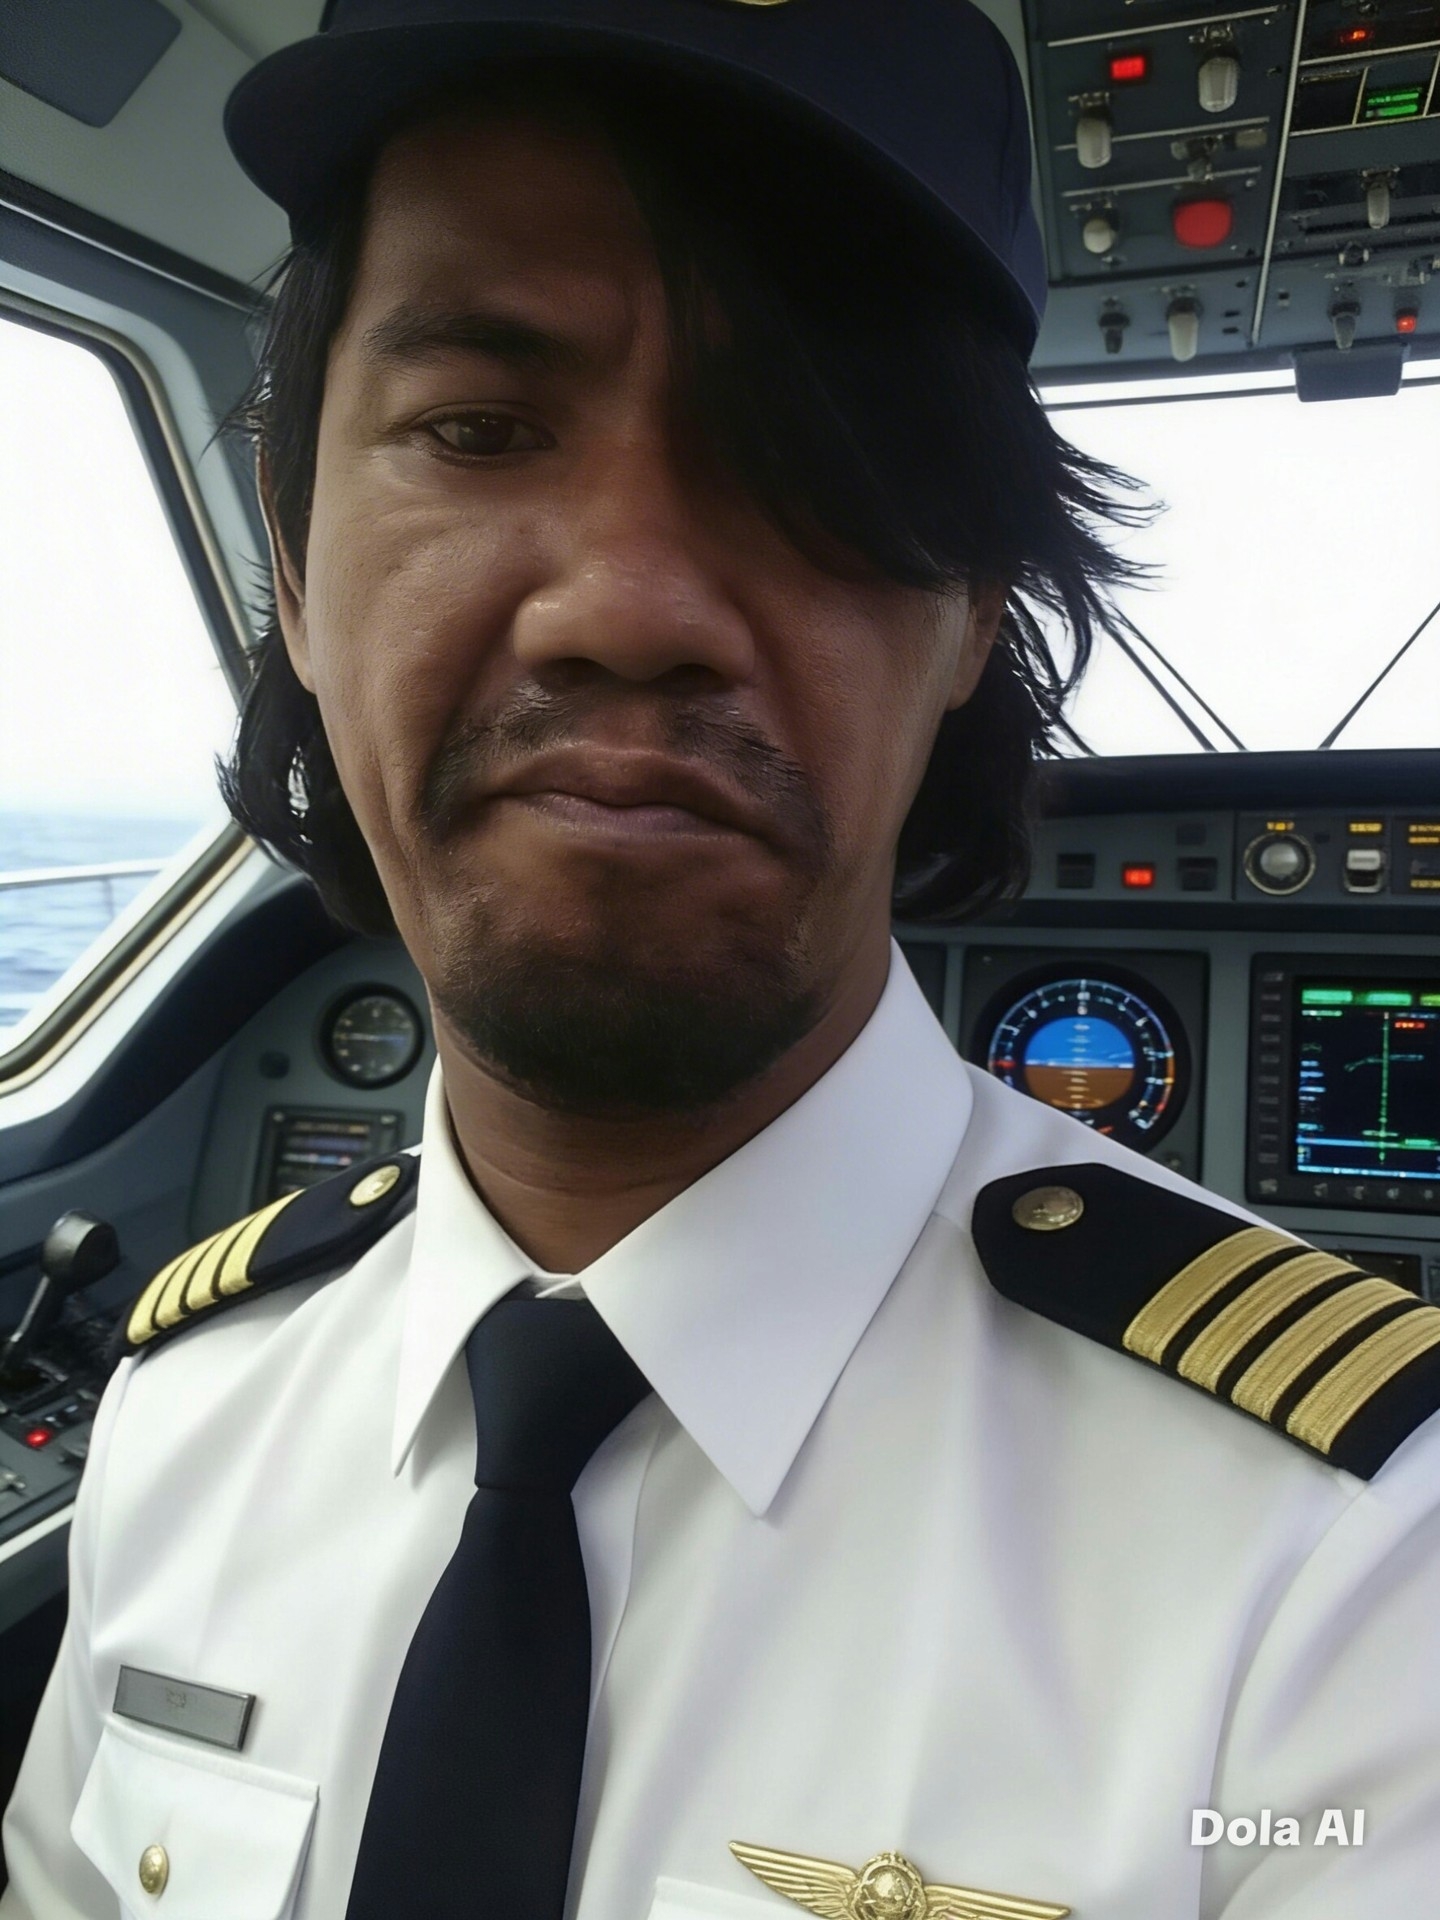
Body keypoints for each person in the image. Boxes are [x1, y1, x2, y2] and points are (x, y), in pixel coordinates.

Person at [5, 3, 1440, 1916]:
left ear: (971, 620)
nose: (627, 604)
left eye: (808, 454)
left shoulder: (1357, 1572)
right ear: (295, 551)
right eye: (477, 429)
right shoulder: (185, 1411)